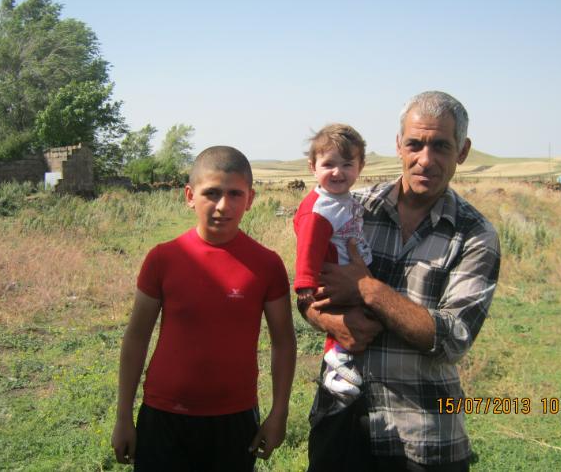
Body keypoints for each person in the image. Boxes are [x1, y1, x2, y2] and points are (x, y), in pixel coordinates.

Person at [300, 91, 501, 472]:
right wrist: (331, 321)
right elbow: (305, 292)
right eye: (415, 144)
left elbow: (453, 338)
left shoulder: (475, 235)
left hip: (422, 436)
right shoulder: (352, 208)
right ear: (398, 145)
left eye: (441, 146)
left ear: (462, 151)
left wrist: (368, 288)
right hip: (339, 421)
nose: (425, 159)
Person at [111, 146, 297, 471]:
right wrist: (123, 416)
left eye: (235, 194)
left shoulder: (267, 264)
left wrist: (278, 413)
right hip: (164, 415)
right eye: (211, 193)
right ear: (190, 196)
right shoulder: (163, 259)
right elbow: (137, 337)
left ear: (250, 199)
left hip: (234, 418)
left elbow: (283, 342)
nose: (223, 205)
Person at [293, 124, 373, 403]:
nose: (338, 172)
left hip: (351, 269)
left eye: (347, 164)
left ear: (360, 167)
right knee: (347, 318)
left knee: (364, 316)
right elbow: (307, 246)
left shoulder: (342, 198)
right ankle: (336, 366)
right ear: (312, 167)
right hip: (335, 276)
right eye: (328, 164)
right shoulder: (319, 209)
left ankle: (343, 364)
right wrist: (305, 283)